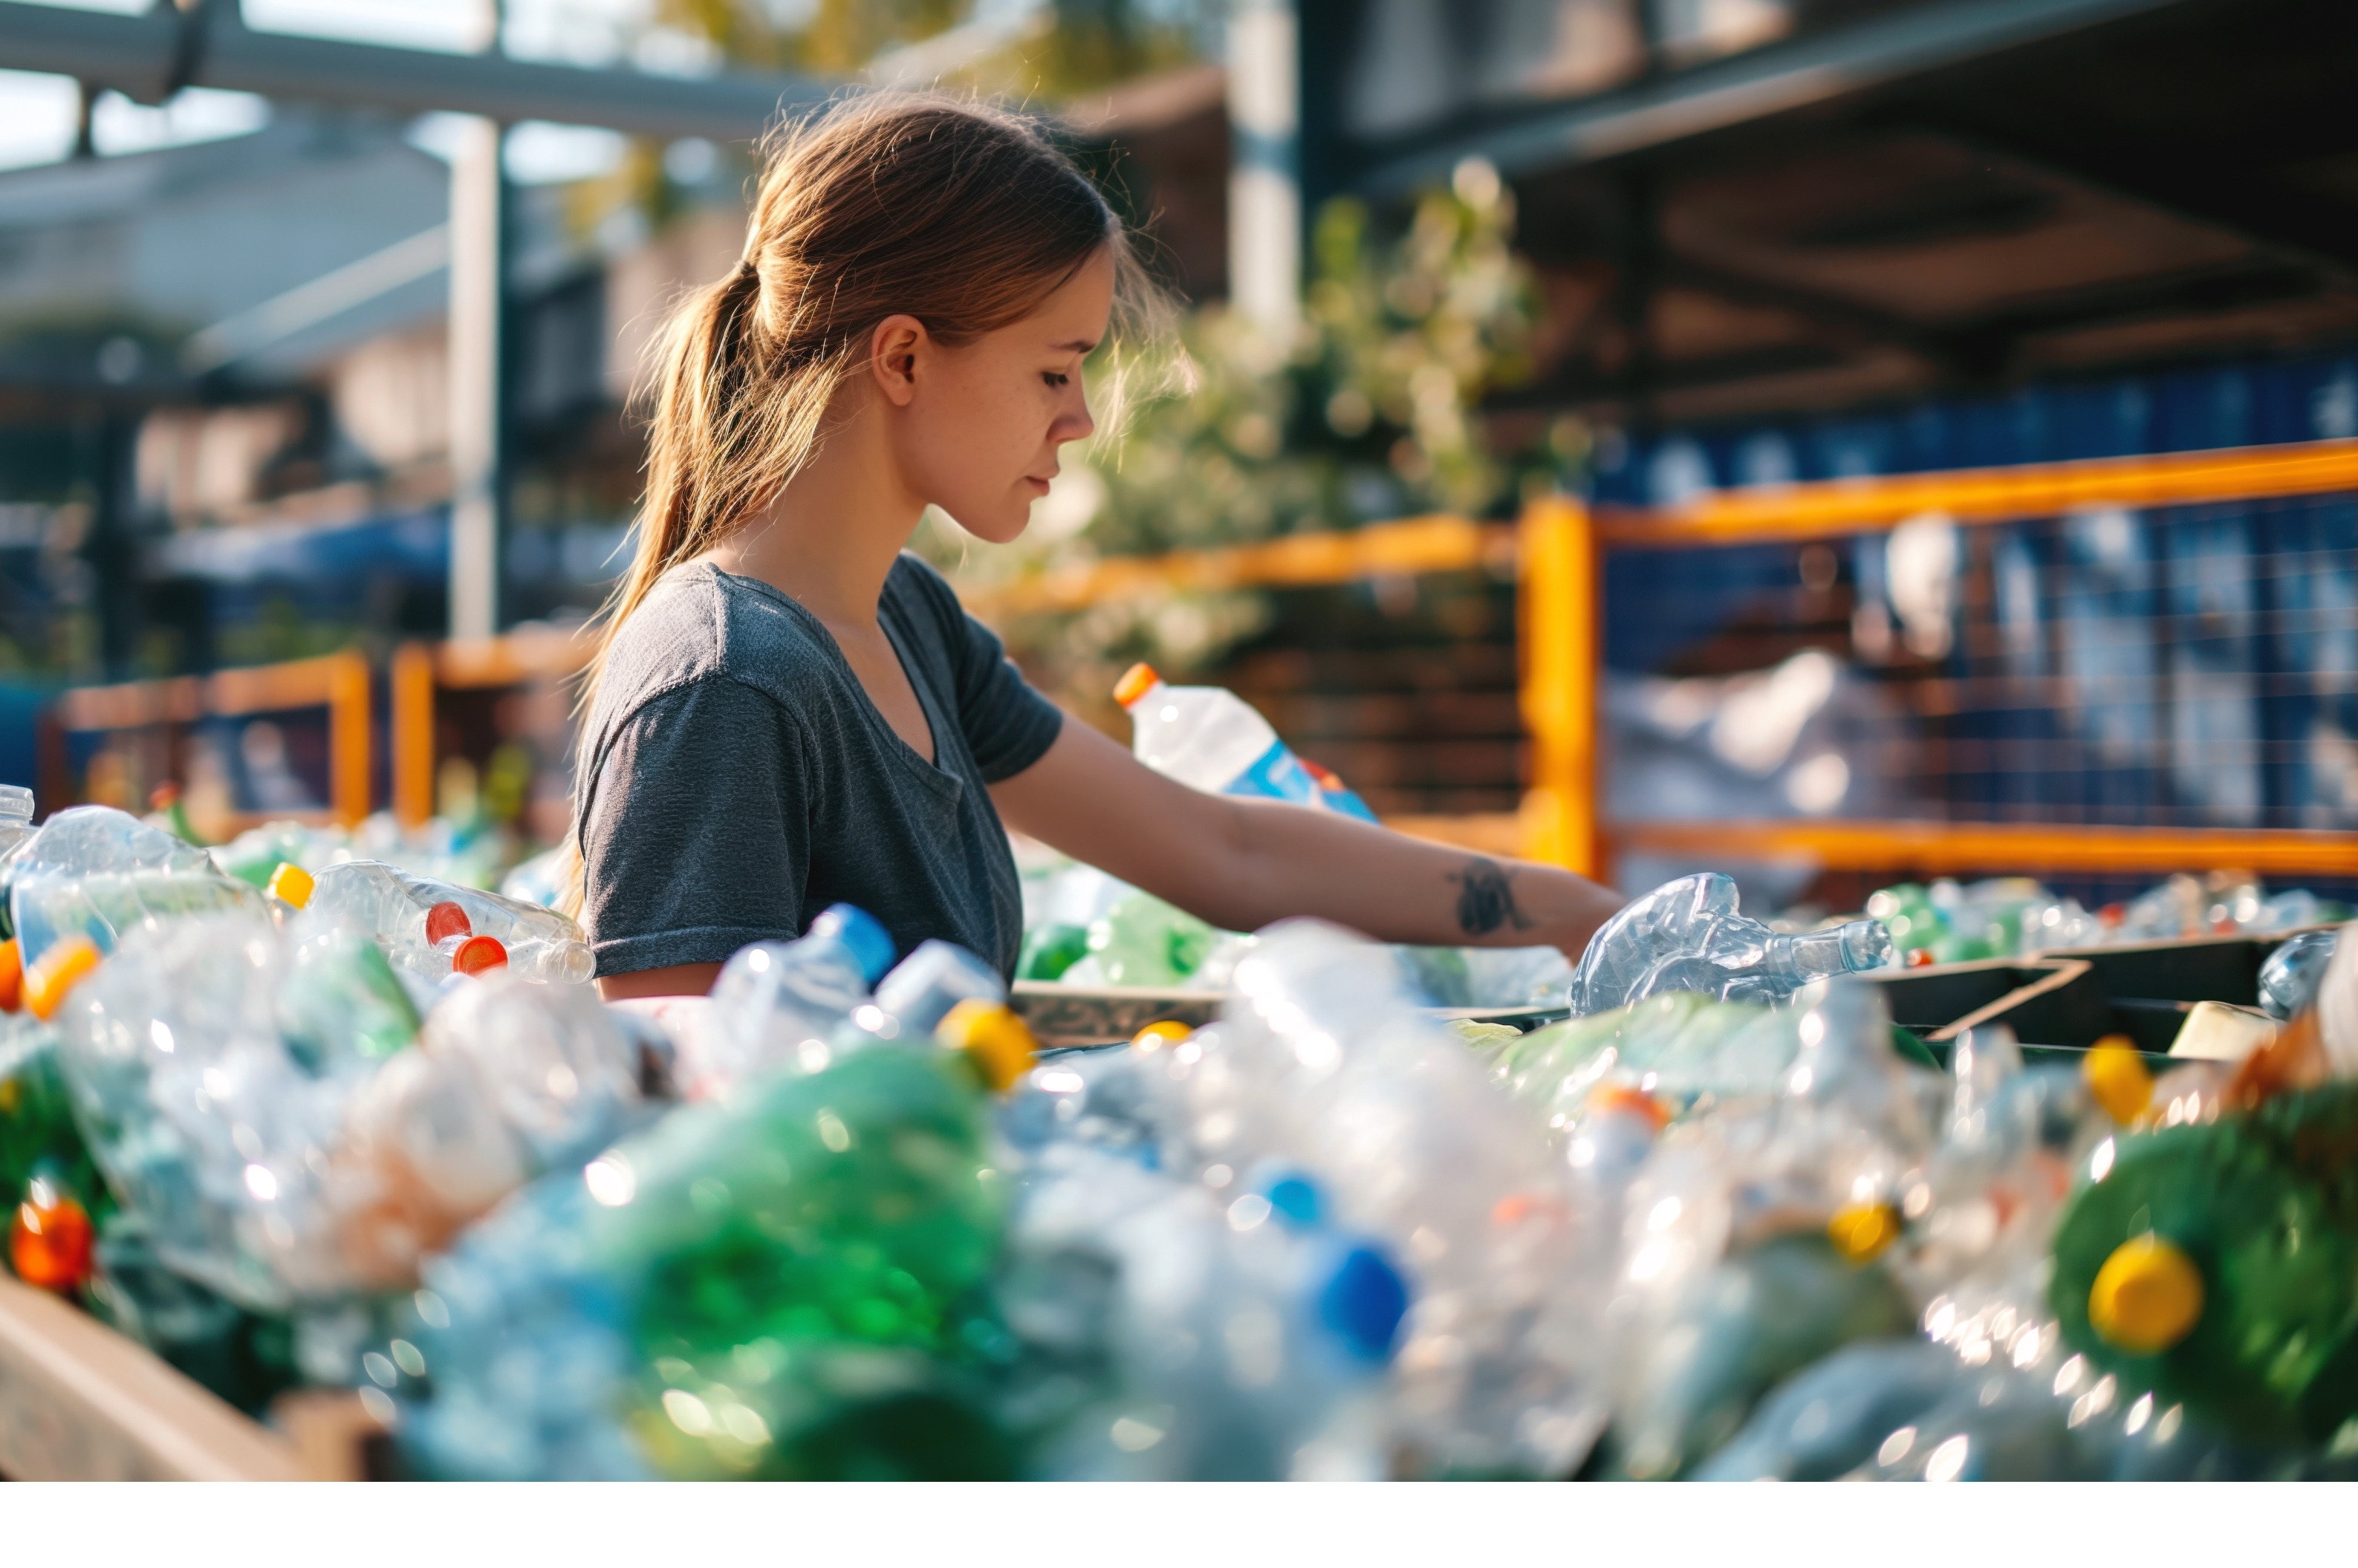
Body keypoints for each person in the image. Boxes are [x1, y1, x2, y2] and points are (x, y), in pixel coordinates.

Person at [574, 92, 1621, 1000]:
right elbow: (693, 1107)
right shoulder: (726, 681)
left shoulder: (911, 620)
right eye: (1053, 371)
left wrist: (1573, 911)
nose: (1079, 420)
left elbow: (1229, 849)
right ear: (903, 358)